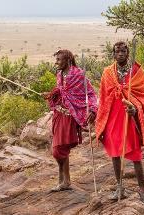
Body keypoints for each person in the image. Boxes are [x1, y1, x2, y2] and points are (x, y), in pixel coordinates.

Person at [95, 41, 144, 207]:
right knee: (115, 153)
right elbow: (103, 96)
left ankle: (142, 192)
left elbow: (142, 97)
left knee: (136, 156)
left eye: (123, 51)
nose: (120, 53)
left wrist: (134, 109)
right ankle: (119, 187)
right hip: (113, 118)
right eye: (117, 51)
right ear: (113, 54)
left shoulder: (137, 72)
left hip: (129, 119)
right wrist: (96, 113)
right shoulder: (108, 72)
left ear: (128, 53)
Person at [43, 49, 97, 192]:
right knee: (59, 149)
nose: (56, 62)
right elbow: (61, 91)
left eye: (59, 60)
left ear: (67, 60)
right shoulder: (60, 74)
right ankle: (64, 181)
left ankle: (64, 181)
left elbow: (90, 93)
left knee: (59, 149)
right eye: (56, 60)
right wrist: (50, 94)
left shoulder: (78, 74)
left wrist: (92, 110)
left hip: (69, 116)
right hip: (58, 114)